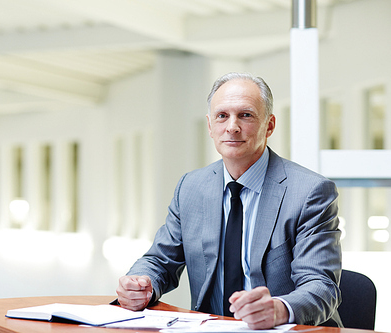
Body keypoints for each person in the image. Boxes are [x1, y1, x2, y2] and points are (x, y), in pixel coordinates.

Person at [115, 72, 342, 329]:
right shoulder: (191, 187)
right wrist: (141, 282)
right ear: (211, 126)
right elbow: (159, 260)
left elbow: (321, 286)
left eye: (245, 115)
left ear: (269, 125)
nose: (232, 126)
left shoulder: (310, 192)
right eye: (222, 116)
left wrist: (279, 309)